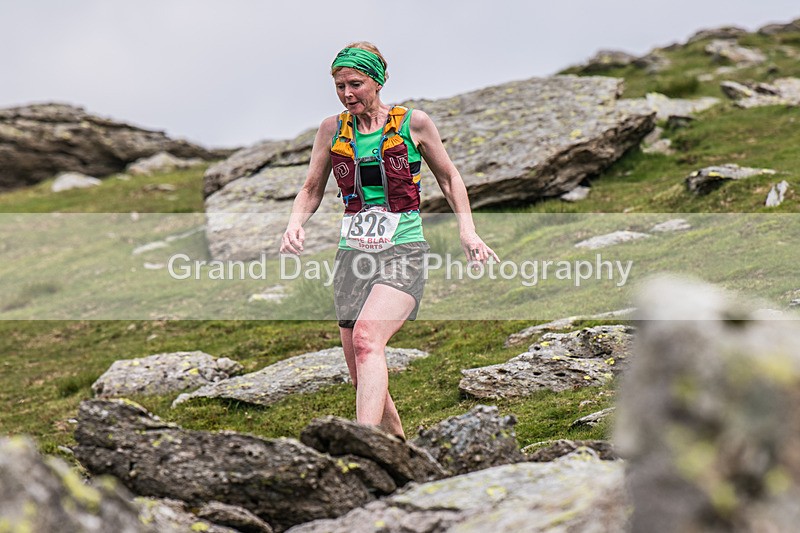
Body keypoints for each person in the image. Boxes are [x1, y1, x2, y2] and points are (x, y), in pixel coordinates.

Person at [280, 42, 496, 440]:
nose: (348, 94)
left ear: (378, 82)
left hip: (403, 250)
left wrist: (467, 230)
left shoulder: (415, 123)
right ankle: (398, 449)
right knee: (360, 365)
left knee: (367, 339)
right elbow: (311, 189)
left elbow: (450, 178)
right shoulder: (331, 129)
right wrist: (295, 223)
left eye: (356, 84)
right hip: (352, 256)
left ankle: (361, 443)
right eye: (340, 86)